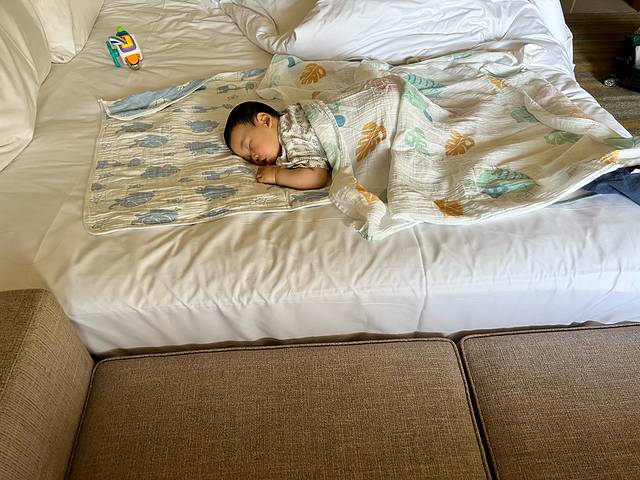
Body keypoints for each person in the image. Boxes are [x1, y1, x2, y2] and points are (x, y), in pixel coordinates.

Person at [223, 101, 330, 190]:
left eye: (250, 146)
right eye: (248, 157)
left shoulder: (290, 136)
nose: (254, 157)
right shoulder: (291, 114)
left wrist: (276, 175)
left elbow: (317, 177)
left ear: (265, 121)